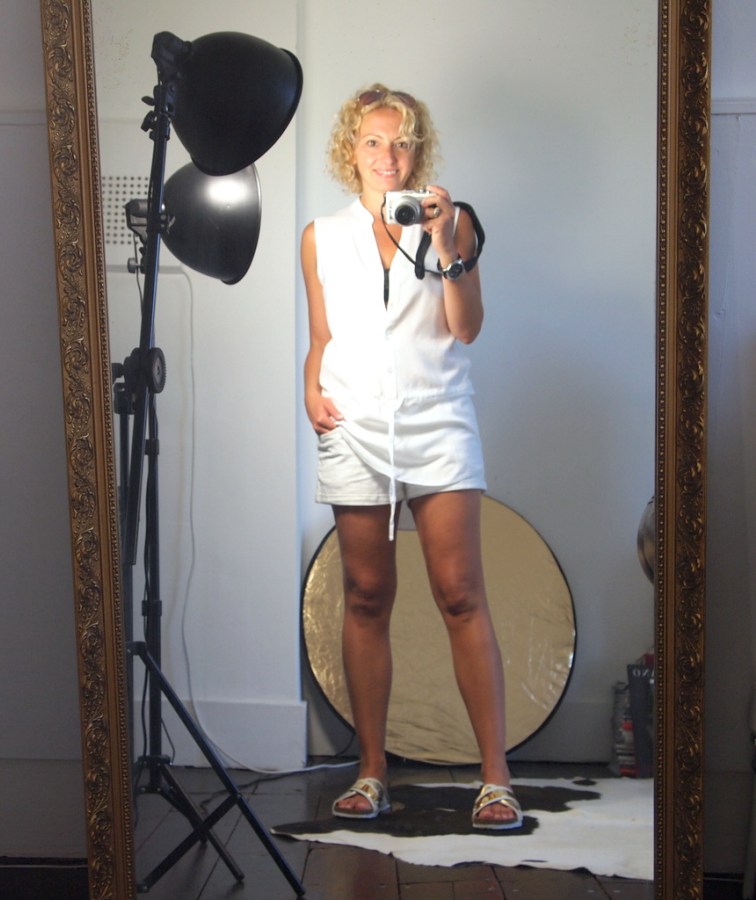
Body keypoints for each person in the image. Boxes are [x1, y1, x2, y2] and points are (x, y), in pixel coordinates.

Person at [302, 84, 522, 830]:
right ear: (351, 149)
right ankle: (371, 771)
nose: (387, 155)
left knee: (460, 592)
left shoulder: (452, 221)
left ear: (417, 150)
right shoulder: (321, 236)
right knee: (366, 594)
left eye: (400, 142)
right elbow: (323, 336)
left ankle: (496, 778)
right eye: (372, 141)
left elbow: (467, 328)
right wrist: (310, 391)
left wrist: (446, 244)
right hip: (353, 423)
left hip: (437, 418)